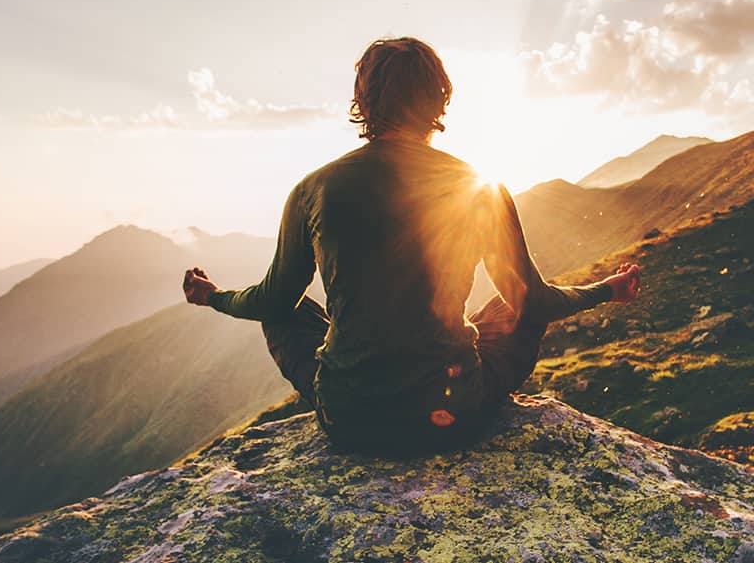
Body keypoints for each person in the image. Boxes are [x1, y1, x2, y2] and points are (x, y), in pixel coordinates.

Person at [182, 37, 641, 453]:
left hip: (350, 421)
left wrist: (213, 296)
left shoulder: (313, 189)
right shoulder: (479, 187)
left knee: (286, 308)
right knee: (512, 306)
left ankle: (356, 383)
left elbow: (271, 300)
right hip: (451, 417)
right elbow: (536, 302)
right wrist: (606, 289)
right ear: (439, 99)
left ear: (362, 101)